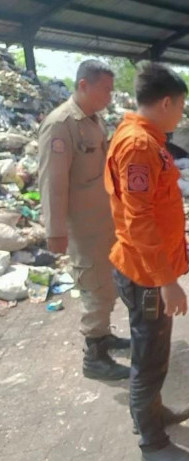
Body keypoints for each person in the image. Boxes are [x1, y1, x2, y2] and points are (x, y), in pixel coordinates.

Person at [104, 62, 189, 461]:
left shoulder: (146, 139)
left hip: (147, 268)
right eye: (180, 106)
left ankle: (153, 413)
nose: (181, 114)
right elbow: (139, 219)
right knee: (149, 357)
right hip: (146, 274)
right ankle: (152, 441)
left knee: (154, 351)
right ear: (166, 103)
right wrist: (167, 281)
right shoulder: (139, 145)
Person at [38, 60, 131, 381]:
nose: (109, 96)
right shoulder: (61, 124)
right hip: (82, 226)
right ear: (83, 86)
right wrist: (55, 231)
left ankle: (103, 335)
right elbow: (53, 182)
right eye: (105, 89)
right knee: (94, 286)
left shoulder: (94, 121)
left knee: (107, 283)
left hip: (103, 220)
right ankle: (95, 356)